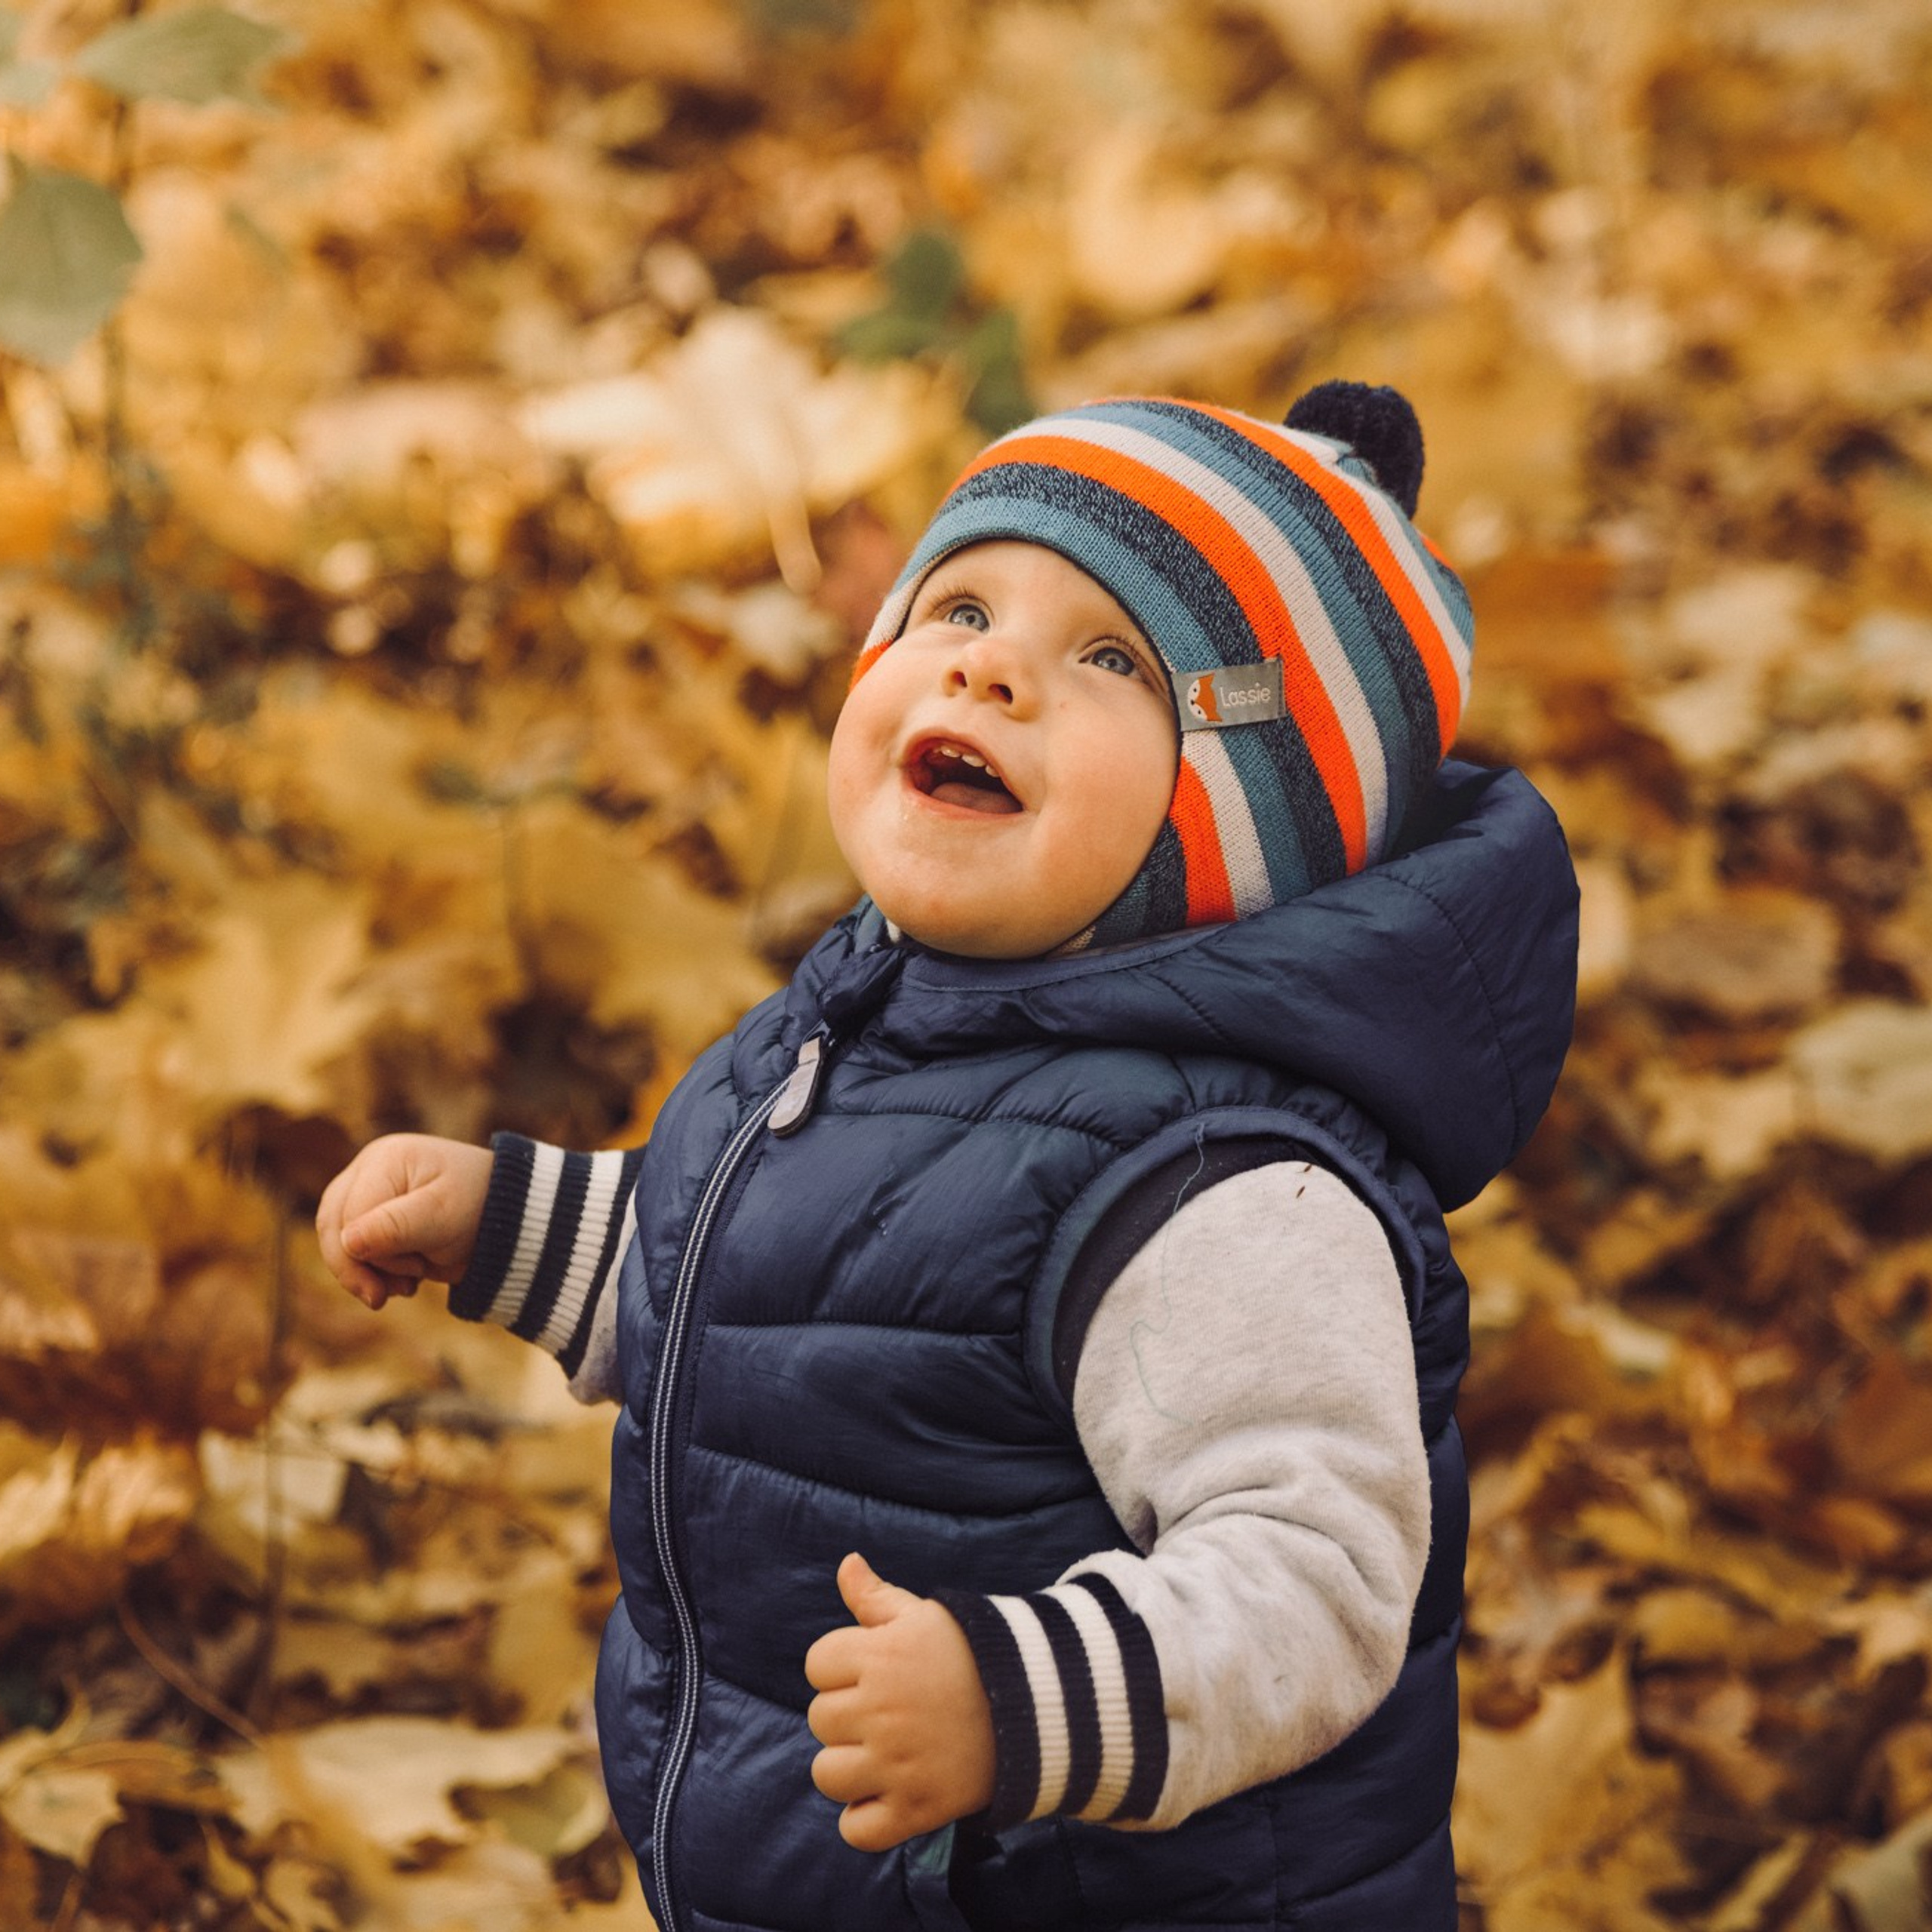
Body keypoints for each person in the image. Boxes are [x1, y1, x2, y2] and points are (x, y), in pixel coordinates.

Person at [316, 383, 1578, 1932]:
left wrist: (1016, 1697)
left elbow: (1316, 1573)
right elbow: (788, 1275)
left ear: (1241, 826)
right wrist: (514, 1224)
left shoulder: (1215, 1183)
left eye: (1110, 657)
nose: (989, 664)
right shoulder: (881, 1015)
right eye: (960, 603)